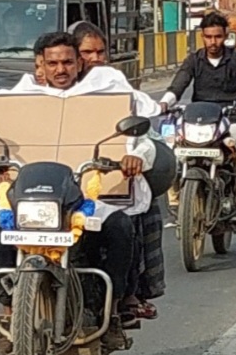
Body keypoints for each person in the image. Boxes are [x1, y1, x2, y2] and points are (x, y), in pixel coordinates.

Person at [0, 31, 148, 355]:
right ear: (40, 65)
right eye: (53, 63)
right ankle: (8, 315)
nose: (60, 69)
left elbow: (137, 140)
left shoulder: (102, 95)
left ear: (79, 63)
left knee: (120, 228)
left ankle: (115, 310)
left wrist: (137, 157)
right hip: (33, 197)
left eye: (67, 61)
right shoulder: (16, 97)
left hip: (88, 196)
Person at [72, 22, 169, 323]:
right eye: (87, 52)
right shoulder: (47, 91)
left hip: (109, 180)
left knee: (137, 212)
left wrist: (135, 157)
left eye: (101, 52)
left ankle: (126, 295)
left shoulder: (119, 89)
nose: (96, 59)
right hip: (61, 185)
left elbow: (144, 135)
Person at [161, 11, 236, 222]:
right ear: (202, 36)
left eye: (217, 37)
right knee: (172, 148)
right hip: (199, 118)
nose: (213, 42)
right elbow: (178, 85)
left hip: (230, 116)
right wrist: (165, 102)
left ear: (225, 36)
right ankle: (174, 201)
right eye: (209, 37)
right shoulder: (194, 60)